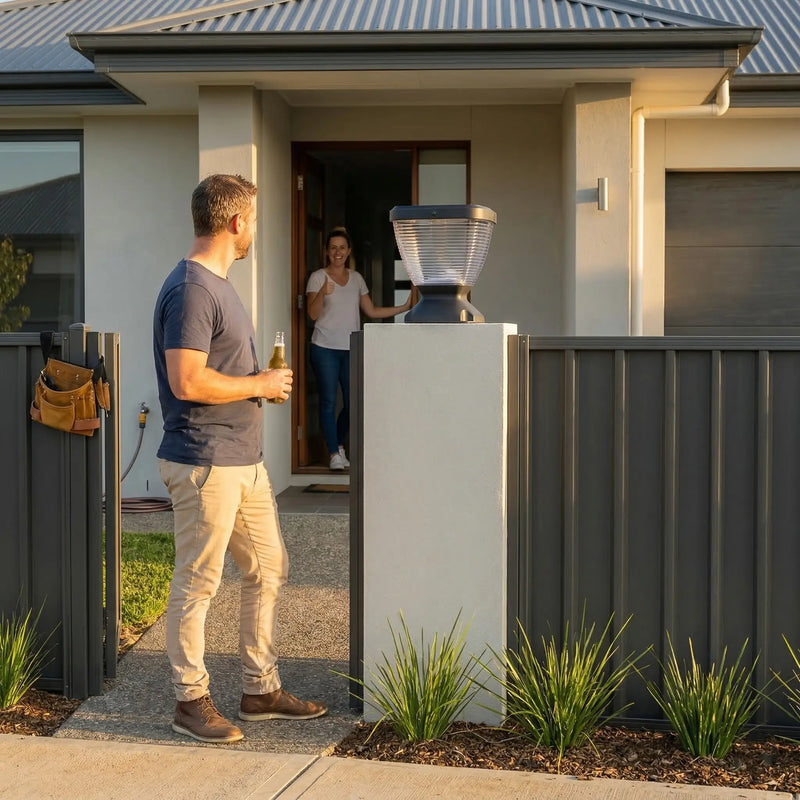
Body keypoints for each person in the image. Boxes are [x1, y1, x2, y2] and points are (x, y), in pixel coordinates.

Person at [153, 173, 326, 745]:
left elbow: (216, 374)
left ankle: (259, 689)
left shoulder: (220, 285)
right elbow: (187, 380)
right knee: (198, 582)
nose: (254, 228)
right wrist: (260, 381)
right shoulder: (193, 290)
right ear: (235, 222)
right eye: (253, 218)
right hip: (205, 461)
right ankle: (190, 700)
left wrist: (262, 387)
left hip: (242, 461)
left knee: (268, 568)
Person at [306, 227, 411, 470]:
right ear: (326, 252)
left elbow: (371, 311)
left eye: (342, 247)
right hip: (324, 348)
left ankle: (338, 444)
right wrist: (323, 291)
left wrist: (403, 307)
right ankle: (334, 453)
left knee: (354, 402)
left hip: (350, 348)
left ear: (349, 251)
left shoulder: (356, 278)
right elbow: (312, 314)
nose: (337, 252)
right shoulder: (318, 277)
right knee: (329, 402)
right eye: (333, 248)